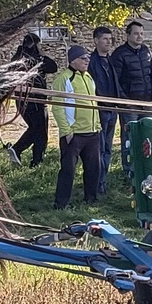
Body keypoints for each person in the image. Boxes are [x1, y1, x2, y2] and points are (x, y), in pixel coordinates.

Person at [53, 45, 104, 208]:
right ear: (73, 60)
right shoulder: (63, 79)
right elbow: (57, 106)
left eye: (88, 58)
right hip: (74, 134)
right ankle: (61, 203)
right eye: (83, 58)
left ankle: (91, 199)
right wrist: (66, 130)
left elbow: (93, 102)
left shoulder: (89, 77)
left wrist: (97, 125)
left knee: (94, 169)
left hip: (92, 132)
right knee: (68, 171)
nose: (87, 61)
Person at [108, 19, 152, 177]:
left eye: (142, 33)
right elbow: (115, 79)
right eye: (136, 33)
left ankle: (148, 169)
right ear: (128, 35)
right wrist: (124, 100)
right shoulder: (120, 54)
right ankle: (129, 171)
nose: (140, 36)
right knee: (129, 137)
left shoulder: (146, 51)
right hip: (130, 104)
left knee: (149, 135)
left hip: (146, 102)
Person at [9, 38, 54, 167]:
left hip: (21, 100)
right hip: (35, 100)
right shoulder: (38, 60)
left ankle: (35, 159)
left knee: (37, 129)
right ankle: (21, 151)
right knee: (39, 129)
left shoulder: (17, 59)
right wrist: (42, 54)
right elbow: (53, 67)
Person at [87, 25, 119, 193]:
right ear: (96, 40)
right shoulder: (90, 62)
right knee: (98, 149)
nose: (109, 42)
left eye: (110, 39)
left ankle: (103, 182)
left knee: (107, 148)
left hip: (112, 109)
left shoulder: (111, 60)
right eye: (105, 39)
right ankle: (96, 184)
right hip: (99, 110)